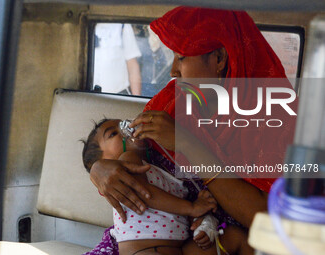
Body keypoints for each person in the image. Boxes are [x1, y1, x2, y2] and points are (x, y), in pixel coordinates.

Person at [86, 6, 297, 255]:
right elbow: (134, 158)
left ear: (219, 58)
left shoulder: (274, 119)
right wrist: (99, 170)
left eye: (181, 57)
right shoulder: (170, 103)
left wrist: (188, 145)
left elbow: (267, 218)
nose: (174, 71)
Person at [82, 118, 253, 255]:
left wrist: (202, 224)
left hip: (177, 248)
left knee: (236, 237)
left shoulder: (158, 170)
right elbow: (146, 194)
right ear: (105, 162)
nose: (126, 128)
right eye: (113, 133)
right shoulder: (128, 162)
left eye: (123, 123)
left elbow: (172, 212)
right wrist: (192, 208)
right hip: (145, 251)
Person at [94, 23, 142, 95]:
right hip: (89, 98)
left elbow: (132, 65)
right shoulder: (83, 24)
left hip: (119, 96)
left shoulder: (122, 25)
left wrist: (137, 100)